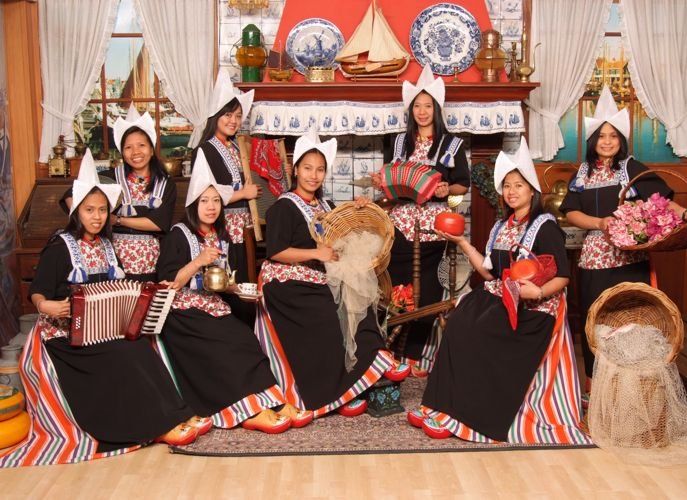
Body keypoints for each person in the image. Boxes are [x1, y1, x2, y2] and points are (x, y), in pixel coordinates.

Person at [0, 152, 200, 468]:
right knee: (122, 356)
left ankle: (175, 416)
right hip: (65, 336)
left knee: (141, 348)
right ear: (77, 212)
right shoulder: (60, 245)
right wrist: (44, 304)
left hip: (103, 329)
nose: (97, 216)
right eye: (90, 210)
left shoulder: (107, 247)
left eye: (102, 210)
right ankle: (155, 427)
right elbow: (37, 291)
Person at [409, 138, 590, 445]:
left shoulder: (544, 226)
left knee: (480, 331)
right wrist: (463, 243)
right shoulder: (501, 227)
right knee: (460, 323)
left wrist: (537, 292)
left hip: (536, 309)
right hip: (503, 296)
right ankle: (444, 407)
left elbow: (563, 277)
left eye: (518, 185)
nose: (512, 191)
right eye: (507, 185)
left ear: (531, 189)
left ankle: (475, 415)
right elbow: (489, 271)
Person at [559, 86, 687, 402]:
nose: (607, 141)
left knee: (632, 319)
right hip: (595, 256)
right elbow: (571, 212)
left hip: (629, 257)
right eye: (601, 136)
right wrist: (599, 223)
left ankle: (633, 385)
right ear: (592, 141)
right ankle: (594, 389)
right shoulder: (583, 173)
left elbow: (660, 201)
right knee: (594, 317)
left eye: (613, 136)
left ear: (621, 140)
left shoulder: (631, 167)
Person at [255, 132, 410, 418]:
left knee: (357, 299)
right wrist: (316, 253)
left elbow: (344, 231)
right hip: (286, 279)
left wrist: (361, 205)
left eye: (320, 169)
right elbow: (276, 252)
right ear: (295, 170)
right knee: (329, 309)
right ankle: (334, 390)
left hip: (318, 276)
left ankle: (371, 364)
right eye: (308, 168)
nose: (314, 175)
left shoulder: (325, 207)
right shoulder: (283, 207)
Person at [156, 151, 309, 433]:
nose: (212, 207)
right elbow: (169, 282)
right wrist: (199, 261)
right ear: (193, 203)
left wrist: (240, 290)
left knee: (245, 339)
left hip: (212, 305)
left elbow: (219, 280)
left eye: (216, 201)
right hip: (182, 313)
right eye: (205, 201)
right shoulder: (179, 234)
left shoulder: (219, 233)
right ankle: (245, 409)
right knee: (225, 343)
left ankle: (272, 401)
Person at [371, 65, 470, 375]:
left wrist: (445, 189)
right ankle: (390, 348)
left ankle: (414, 354)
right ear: (410, 109)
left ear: (436, 109)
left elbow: (462, 185)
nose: (423, 111)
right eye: (418, 105)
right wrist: (381, 182)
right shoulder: (399, 142)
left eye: (428, 106)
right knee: (395, 282)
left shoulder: (452, 144)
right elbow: (391, 178)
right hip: (400, 223)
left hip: (433, 225)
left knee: (426, 288)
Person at [60, 105, 176, 282]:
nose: (135, 152)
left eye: (141, 145)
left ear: (152, 150)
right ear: (122, 152)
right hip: (113, 259)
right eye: (128, 147)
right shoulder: (110, 177)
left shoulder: (165, 182)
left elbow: (158, 223)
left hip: (153, 259)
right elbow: (71, 195)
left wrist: (117, 220)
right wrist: (86, 221)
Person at [192, 69, 259, 322]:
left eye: (238, 116)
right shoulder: (205, 149)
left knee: (243, 280)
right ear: (216, 115)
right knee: (226, 278)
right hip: (221, 224)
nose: (233, 120)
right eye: (228, 114)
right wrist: (243, 193)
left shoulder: (236, 146)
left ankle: (247, 330)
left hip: (243, 224)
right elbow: (203, 194)